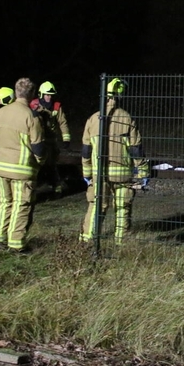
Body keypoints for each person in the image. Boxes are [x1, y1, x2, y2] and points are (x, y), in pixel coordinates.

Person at [80, 78, 150, 245]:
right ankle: (121, 242)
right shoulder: (127, 118)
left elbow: (86, 151)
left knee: (96, 206)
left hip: (99, 174)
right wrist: (143, 172)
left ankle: (88, 242)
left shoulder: (93, 119)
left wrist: (87, 173)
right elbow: (136, 149)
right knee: (122, 208)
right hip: (122, 174)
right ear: (120, 96)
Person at [0, 77, 46, 253]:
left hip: (2, 167)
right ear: (32, 94)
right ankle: (16, 244)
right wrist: (40, 162)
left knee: (5, 203)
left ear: (16, 92)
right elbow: (38, 147)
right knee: (21, 205)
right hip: (23, 170)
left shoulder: (1, 113)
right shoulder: (31, 116)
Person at [30, 81, 71, 196]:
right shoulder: (33, 105)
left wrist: (66, 138)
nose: (49, 97)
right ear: (41, 95)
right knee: (35, 165)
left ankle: (56, 187)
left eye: (51, 95)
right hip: (36, 139)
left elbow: (62, 122)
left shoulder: (57, 106)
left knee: (52, 165)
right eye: (47, 95)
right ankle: (33, 188)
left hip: (51, 140)